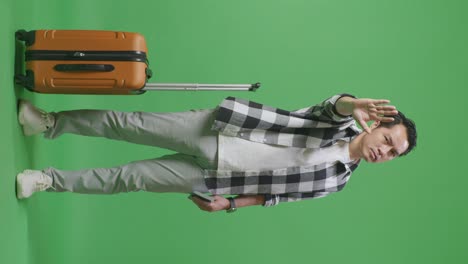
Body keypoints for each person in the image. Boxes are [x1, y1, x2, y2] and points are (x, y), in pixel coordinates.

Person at [15, 94, 417, 213]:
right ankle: (49, 123)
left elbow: (275, 196)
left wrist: (230, 205)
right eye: (388, 140)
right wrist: (352, 105)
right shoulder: (339, 123)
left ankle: (47, 181)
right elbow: (330, 106)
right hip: (219, 129)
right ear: (377, 125)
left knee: (130, 177)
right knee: (130, 123)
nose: (385, 151)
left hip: (216, 179)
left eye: (393, 154)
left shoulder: (336, 182)